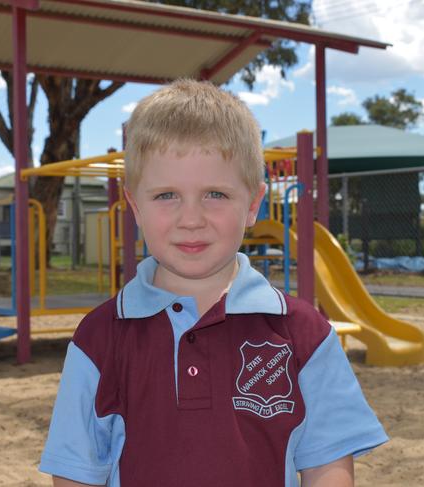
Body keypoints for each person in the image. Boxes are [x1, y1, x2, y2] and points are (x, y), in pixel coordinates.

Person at [39, 79, 388, 487]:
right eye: (167, 195)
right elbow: (75, 470)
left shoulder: (303, 333)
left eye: (215, 195)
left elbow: (327, 464)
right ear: (135, 206)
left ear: (253, 204)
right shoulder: (100, 338)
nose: (191, 218)